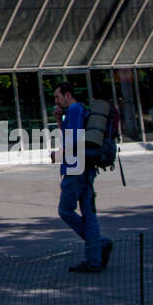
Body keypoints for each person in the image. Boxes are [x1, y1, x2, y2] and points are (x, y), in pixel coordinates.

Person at [50, 83, 112, 273]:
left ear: (67, 95)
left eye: (58, 97)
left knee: (65, 210)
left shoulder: (75, 109)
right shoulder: (76, 111)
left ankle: (99, 243)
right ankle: (94, 260)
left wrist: (58, 155)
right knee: (88, 213)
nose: (56, 101)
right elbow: (69, 136)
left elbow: (74, 140)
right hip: (86, 168)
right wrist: (59, 121)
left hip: (76, 170)